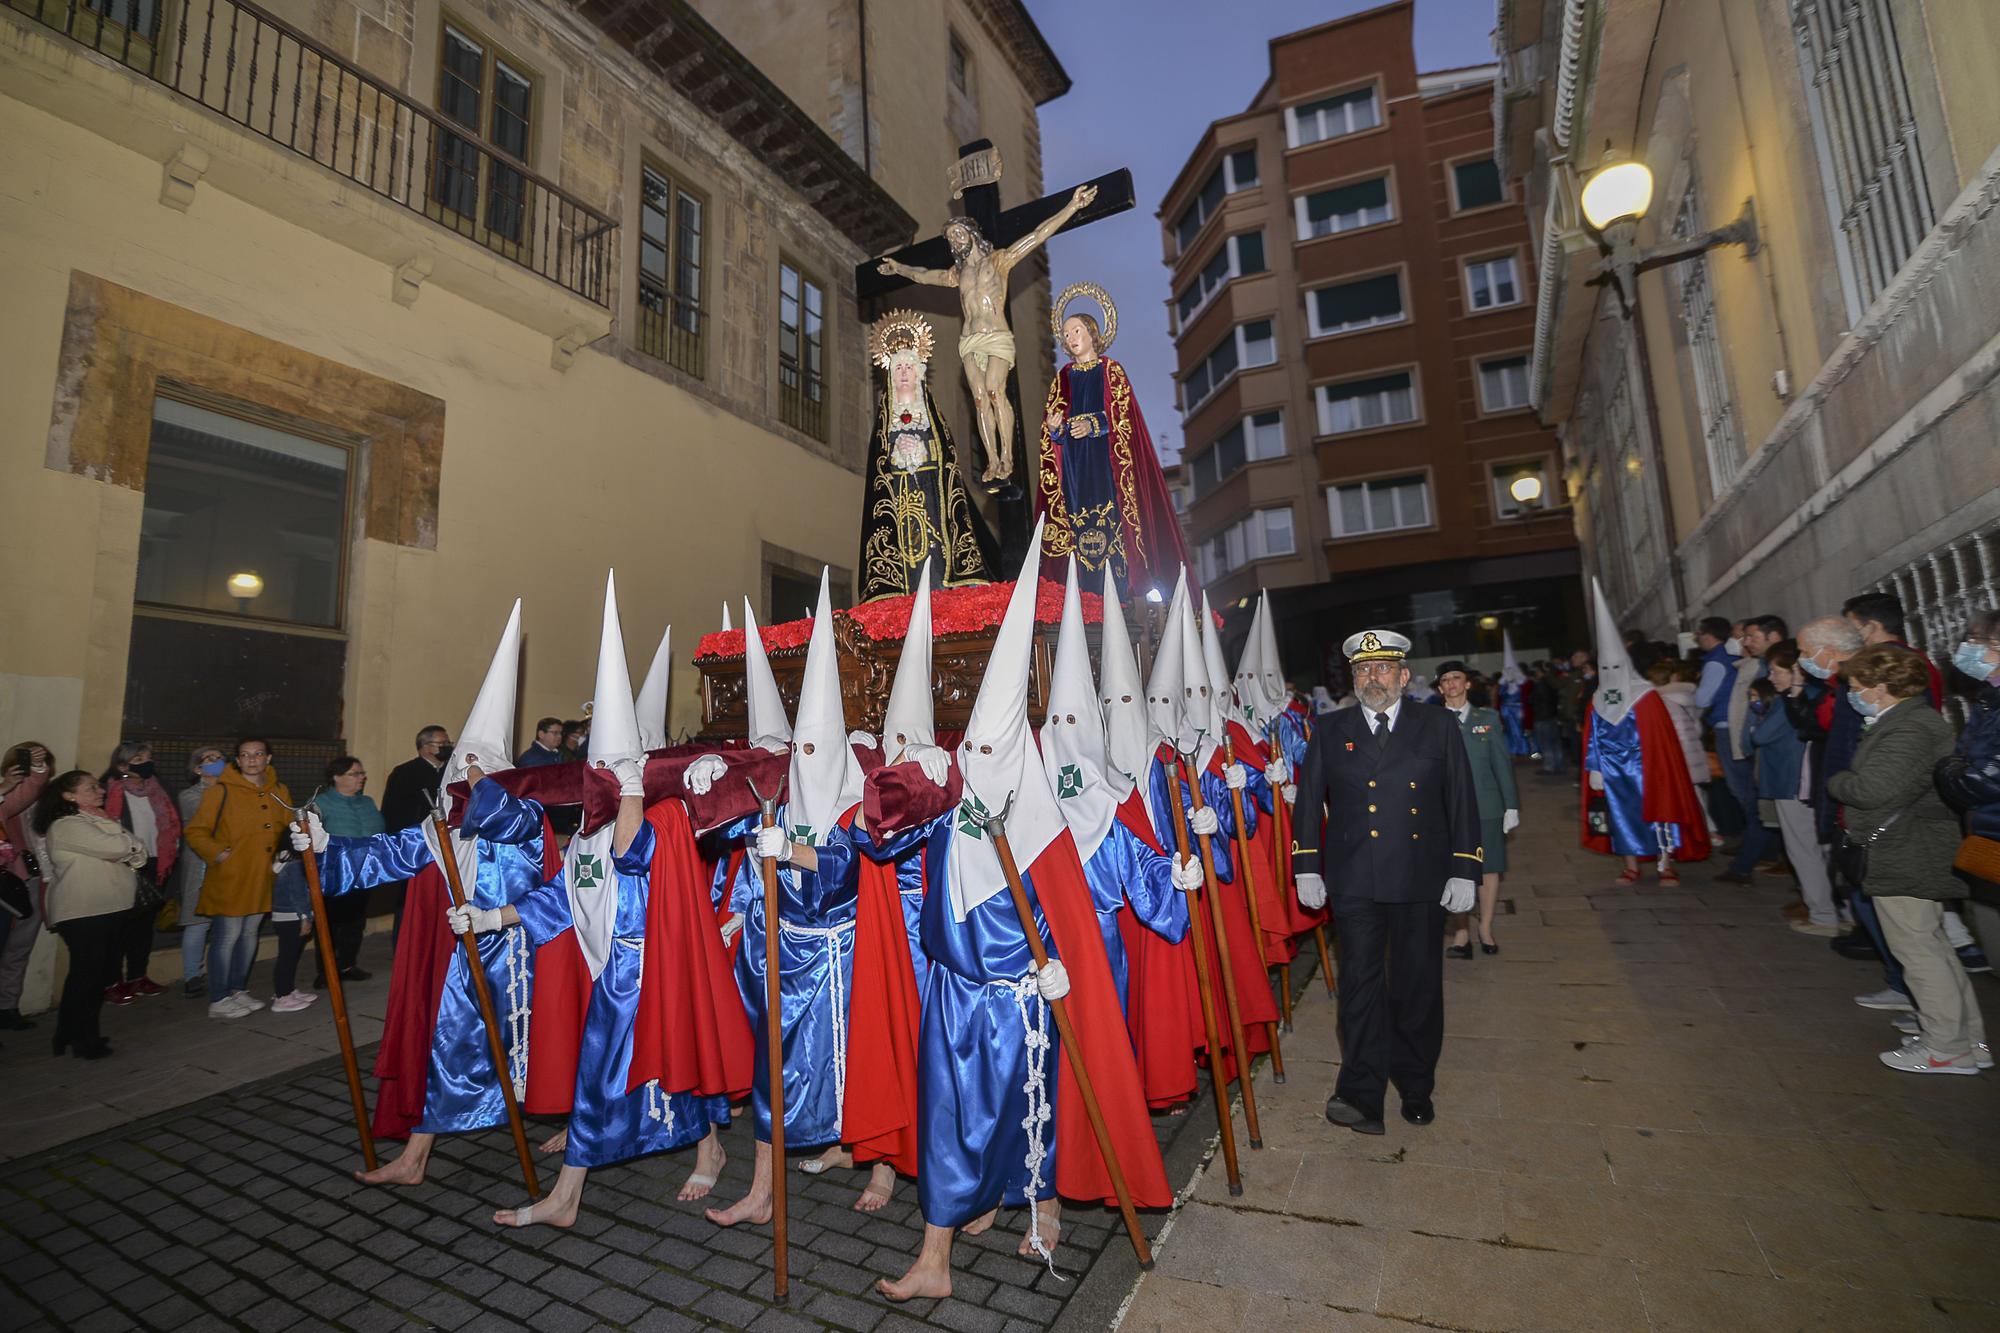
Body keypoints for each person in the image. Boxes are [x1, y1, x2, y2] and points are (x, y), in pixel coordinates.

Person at [1293, 629, 1481, 1134]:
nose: (1370, 679)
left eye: (1380, 670)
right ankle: (1360, 1092)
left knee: (1416, 986)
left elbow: (1462, 798)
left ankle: (1416, 1084)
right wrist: (1306, 864)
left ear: (1402, 676)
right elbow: (1309, 800)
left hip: (1420, 876)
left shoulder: (1436, 723)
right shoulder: (1331, 728)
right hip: (1355, 878)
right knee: (1359, 985)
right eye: (1361, 670)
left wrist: (1466, 867)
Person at [1827, 646, 1987, 1074]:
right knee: (1932, 947)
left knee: (1917, 951)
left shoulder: (1909, 728)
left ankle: (1946, 1048)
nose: (1854, 695)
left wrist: (1839, 781)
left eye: (1859, 688)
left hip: (1905, 850)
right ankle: (1967, 1039)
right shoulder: (1907, 721)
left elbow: (1871, 790)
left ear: (1882, 688)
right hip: (1911, 846)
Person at [876, 184, 1098, 484]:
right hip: (969, 340)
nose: (955, 240)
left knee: (995, 390)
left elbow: (1037, 235)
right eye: (951, 237)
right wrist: (900, 269)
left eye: (958, 233)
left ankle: (1008, 455)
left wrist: (1073, 206)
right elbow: (927, 276)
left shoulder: (1000, 260)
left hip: (996, 336)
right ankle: (992, 460)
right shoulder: (958, 274)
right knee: (979, 399)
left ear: (971, 233)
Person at [1033, 294, 1190, 598]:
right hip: (1074, 469)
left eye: (1076, 330)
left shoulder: (1111, 370)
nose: (1071, 337)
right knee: (1079, 530)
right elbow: (1056, 428)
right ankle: (1086, 597)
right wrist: (1056, 430)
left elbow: (1123, 417)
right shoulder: (1062, 378)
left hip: (1104, 465)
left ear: (1092, 333)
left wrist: (1093, 425)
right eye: (1066, 334)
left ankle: (1117, 590)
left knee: (1109, 525)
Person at [1579, 581, 1711, 886]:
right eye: (1605, 665)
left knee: (1660, 814)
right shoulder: (1597, 699)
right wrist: (1595, 768)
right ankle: (1631, 865)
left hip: (1647, 767)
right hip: (1613, 771)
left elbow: (1660, 739)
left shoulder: (1646, 696)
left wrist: (1655, 764)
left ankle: (1666, 863)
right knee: (1621, 817)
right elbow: (1593, 738)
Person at [857, 309, 993, 601]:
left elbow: (948, 460)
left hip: (932, 502)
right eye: (897, 368)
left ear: (919, 372)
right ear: (890, 375)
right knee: (908, 576)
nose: (903, 373)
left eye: (908, 367)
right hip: (898, 507)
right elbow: (877, 471)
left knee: (935, 569)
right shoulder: (885, 419)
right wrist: (895, 453)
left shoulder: (931, 415)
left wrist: (922, 449)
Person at [34, 771, 146, 1059]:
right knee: (88, 977)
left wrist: (127, 847)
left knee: (95, 976)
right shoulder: (67, 824)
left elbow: (139, 852)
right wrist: (126, 847)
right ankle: (83, 1040)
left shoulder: (100, 819)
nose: (100, 790)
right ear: (68, 795)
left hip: (111, 908)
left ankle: (70, 1034)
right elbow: (120, 846)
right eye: (91, 787)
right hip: (85, 911)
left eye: (98, 786)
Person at [184, 738, 292, 1019]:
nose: (252, 759)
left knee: (249, 934)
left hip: (263, 876)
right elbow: (196, 831)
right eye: (245, 755)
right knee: (227, 936)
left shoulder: (279, 790)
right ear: (238, 760)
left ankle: (236, 989)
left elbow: (285, 828)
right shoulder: (220, 791)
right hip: (232, 876)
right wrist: (218, 853)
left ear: (268, 758)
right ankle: (218, 998)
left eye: (258, 754)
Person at [1750, 645, 1842, 935]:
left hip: (1791, 781)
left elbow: (1761, 736)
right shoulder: (1817, 695)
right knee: (1825, 849)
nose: (1771, 677)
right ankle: (1839, 910)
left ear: (1797, 672)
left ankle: (1823, 914)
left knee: (1804, 849)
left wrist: (1756, 715)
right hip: (1807, 782)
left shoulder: (1791, 700)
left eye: (1777, 671)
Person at [1434, 661, 1517, 958]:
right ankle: (1461, 933)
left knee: (1490, 868)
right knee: (1457, 870)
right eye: (1445, 680)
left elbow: (1501, 763)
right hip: (1447, 809)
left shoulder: (1488, 718)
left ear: (1467, 683)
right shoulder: (1432, 720)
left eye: (1456, 678)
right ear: (1440, 687)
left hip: (1486, 805)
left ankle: (1485, 928)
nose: (1451, 683)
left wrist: (1511, 805)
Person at [99, 742, 180, 1002]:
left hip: (156, 863)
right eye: (139, 758)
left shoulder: (158, 788)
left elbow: (170, 823)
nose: (147, 762)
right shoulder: (108, 789)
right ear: (123, 765)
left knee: (144, 926)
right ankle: (111, 981)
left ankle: (137, 976)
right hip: (124, 863)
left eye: (148, 757)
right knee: (118, 926)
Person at [312, 754, 383, 986]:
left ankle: (347, 964)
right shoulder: (320, 804)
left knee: (355, 922)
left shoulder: (367, 802)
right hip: (334, 873)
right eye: (355, 774)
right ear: (336, 777)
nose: (361, 778)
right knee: (329, 924)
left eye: (362, 773)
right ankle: (326, 971)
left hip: (364, 872)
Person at [378, 725, 453, 940]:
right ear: (425, 747)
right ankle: (404, 944)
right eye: (442, 744)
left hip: (443, 846)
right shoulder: (405, 773)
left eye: (448, 743)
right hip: (414, 846)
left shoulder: (449, 771)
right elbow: (394, 813)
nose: (447, 747)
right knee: (409, 900)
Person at [0, 741, 54, 1029]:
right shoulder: (8, 796)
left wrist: (38, 770)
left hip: (31, 880)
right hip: (9, 882)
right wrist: (16, 781)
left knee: (19, 948)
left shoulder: (48, 797)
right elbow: (27, 791)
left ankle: (7, 1007)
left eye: (43, 759)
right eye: (30, 759)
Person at [173, 746, 226, 998]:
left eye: (220, 758)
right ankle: (192, 975)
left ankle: (221, 970)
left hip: (229, 863)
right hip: (200, 865)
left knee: (226, 922)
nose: (217, 762)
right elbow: (215, 819)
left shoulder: (232, 791)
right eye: (210, 760)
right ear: (197, 769)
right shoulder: (189, 796)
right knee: (198, 922)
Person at [1843, 593, 1945, 706]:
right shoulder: (1914, 658)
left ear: (1871, 627)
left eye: (1852, 628)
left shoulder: (1882, 664)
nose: (1849, 635)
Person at [1648, 658, 1712, 829]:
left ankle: (1699, 831)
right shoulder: (1688, 695)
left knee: (1681, 794)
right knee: (1696, 792)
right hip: (1692, 748)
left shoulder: (1659, 701)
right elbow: (1696, 724)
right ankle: (1708, 829)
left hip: (1675, 752)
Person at [1530, 664, 1566, 775]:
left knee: (1546, 743)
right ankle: (1559, 765)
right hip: (1552, 716)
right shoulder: (1553, 683)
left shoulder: (1541, 685)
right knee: (1555, 742)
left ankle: (1549, 766)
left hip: (1543, 717)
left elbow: (1534, 699)